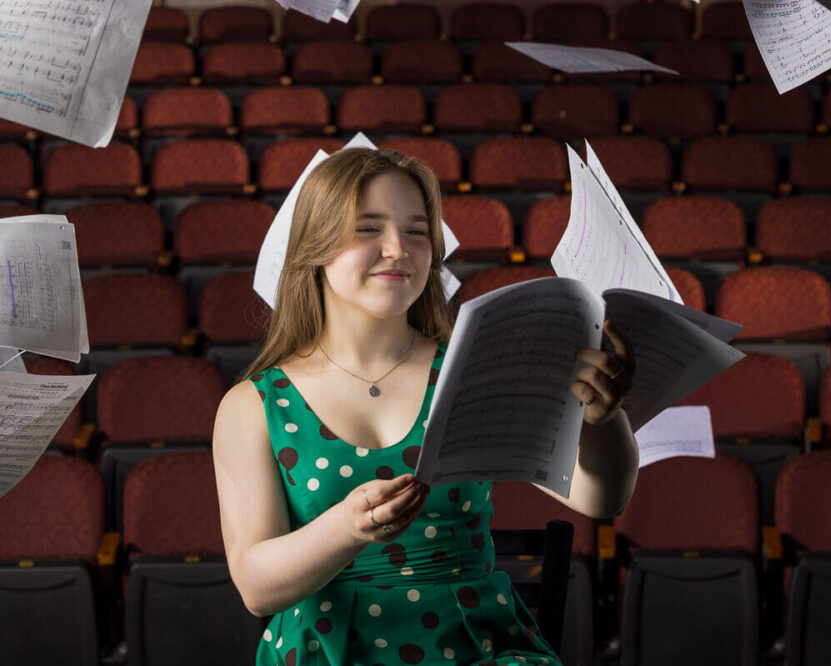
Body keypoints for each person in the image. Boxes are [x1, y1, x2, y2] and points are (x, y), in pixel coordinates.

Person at [212, 147, 640, 666]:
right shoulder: (253, 405)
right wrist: (346, 528)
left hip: (476, 649)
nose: (398, 248)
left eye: (417, 231)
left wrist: (603, 420)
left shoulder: (476, 369)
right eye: (368, 228)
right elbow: (256, 587)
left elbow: (600, 498)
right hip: (324, 651)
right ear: (315, 246)